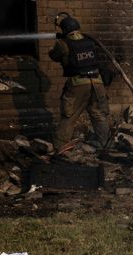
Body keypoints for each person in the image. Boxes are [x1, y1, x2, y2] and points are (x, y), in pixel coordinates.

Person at [47, 13, 111, 153]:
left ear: (64, 30)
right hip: (97, 82)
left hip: (78, 83)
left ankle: (60, 148)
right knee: (99, 115)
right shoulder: (90, 41)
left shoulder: (63, 44)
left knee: (69, 115)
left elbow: (54, 55)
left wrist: (55, 45)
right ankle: (105, 145)